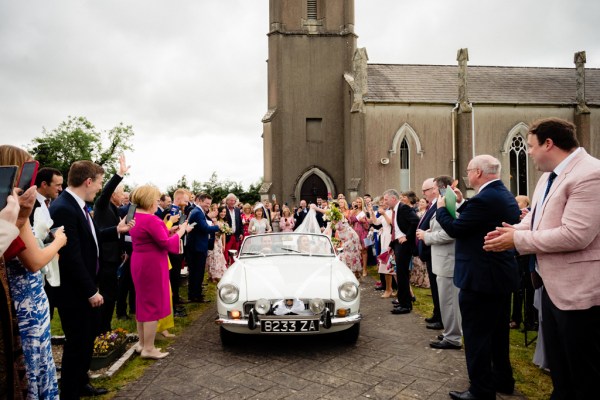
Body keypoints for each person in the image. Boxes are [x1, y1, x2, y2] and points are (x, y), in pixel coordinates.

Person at [483, 117, 600, 400]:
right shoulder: (549, 176)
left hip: (579, 292)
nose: (529, 152)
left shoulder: (590, 174)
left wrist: (518, 240)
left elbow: (576, 235)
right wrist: (513, 231)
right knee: (559, 368)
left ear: (549, 143)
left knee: (583, 372)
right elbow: (536, 220)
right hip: (548, 285)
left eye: (532, 146)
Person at [436, 155, 519, 400]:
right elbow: (477, 221)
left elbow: (457, 229)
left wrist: (442, 210)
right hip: (498, 275)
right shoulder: (501, 193)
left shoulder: (484, 199)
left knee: (477, 336)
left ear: (478, 173)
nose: (466, 175)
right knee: (497, 334)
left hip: (481, 277)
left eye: (469, 170)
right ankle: (502, 379)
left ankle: (481, 390)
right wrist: (461, 204)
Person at [50, 160, 133, 398]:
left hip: (86, 285)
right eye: (98, 182)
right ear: (88, 181)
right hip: (75, 291)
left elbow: (92, 235)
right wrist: (90, 291)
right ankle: (70, 391)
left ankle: (81, 381)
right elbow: (70, 256)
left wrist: (116, 231)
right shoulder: (64, 208)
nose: (98, 188)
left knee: (86, 339)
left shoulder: (77, 205)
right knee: (77, 343)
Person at [1, 146, 67, 400]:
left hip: (18, 298)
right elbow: (34, 261)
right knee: (33, 366)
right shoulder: (11, 211)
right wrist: (58, 241)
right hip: (25, 300)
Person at [129, 185, 190, 359]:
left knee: (142, 302)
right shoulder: (151, 219)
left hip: (139, 261)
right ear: (149, 200)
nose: (157, 203)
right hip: (152, 263)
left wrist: (170, 230)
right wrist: (181, 232)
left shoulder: (135, 216)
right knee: (152, 304)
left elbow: (153, 236)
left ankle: (142, 343)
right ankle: (149, 348)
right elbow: (166, 244)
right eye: (156, 200)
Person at [419, 175, 462, 350]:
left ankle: (453, 337)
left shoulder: (451, 204)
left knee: (450, 302)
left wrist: (426, 236)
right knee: (445, 301)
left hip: (447, 261)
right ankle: (449, 332)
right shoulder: (443, 203)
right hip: (441, 260)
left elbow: (450, 233)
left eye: (435, 188)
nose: (434, 191)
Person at [93, 154, 130, 334]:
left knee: (112, 295)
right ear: (114, 194)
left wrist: (123, 250)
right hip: (105, 256)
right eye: (122, 192)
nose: (124, 196)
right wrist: (119, 174)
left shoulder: (115, 208)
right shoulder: (101, 204)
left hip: (115, 255)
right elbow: (105, 191)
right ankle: (101, 329)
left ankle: (105, 327)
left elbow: (119, 230)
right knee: (107, 295)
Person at [29, 167, 63, 320]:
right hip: (37, 265)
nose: (60, 189)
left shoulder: (45, 203)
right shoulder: (31, 204)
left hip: (48, 260)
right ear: (44, 184)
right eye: (57, 185)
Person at [384, 189, 419, 315]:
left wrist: (407, 236)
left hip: (404, 245)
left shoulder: (403, 208)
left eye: (386, 199)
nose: (384, 202)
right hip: (397, 244)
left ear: (393, 198)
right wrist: (391, 244)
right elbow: (396, 228)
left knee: (402, 275)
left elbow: (415, 221)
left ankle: (405, 305)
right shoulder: (395, 210)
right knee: (400, 274)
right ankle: (404, 301)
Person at [415, 179, 443, 330]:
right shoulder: (432, 205)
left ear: (433, 189)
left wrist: (426, 234)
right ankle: (437, 313)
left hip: (434, 250)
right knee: (434, 286)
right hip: (429, 250)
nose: (423, 194)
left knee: (438, 288)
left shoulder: (439, 205)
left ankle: (441, 317)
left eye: (425, 190)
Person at [186, 193, 221, 302]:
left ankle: (196, 294)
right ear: (200, 201)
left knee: (198, 272)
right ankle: (195, 295)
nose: (208, 206)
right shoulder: (197, 212)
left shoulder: (199, 211)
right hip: (196, 247)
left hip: (198, 245)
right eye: (206, 203)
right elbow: (205, 228)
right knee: (197, 272)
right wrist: (218, 227)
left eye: (209, 204)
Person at [348, 196, 370, 277]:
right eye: (357, 202)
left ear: (362, 203)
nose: (358, 204)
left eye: (359, 202)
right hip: (355, 233)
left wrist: (363, 221)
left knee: (364, 251)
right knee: (356, 251)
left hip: (364, 233)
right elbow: (350, 221)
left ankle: (364, 269)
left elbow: (368, 226)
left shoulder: (365, 212)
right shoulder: (353, 211)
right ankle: (357, 269)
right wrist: (353, 213)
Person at [207, 206, 228, 282]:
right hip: (212, 241)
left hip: (219, 242)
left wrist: (224, 244)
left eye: (224, 212)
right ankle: (211, 275)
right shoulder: (211, 221)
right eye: (221, 211)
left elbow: (223, 234)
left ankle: (217, 275)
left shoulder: (222, 222)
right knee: (211, 257)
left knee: (218, 258)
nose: (223, 213)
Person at [223, 193, 243, 265]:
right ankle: (225, 271)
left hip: (236, 236)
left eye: (233, 201)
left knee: (235, 255)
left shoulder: (237, 210)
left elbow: (240, 222)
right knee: (226, 255)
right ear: (227, 201)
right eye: (230, 200)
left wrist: (241, 233)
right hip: (227, 236)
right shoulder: (224, 210)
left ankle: (234, 269)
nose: (232, 202)